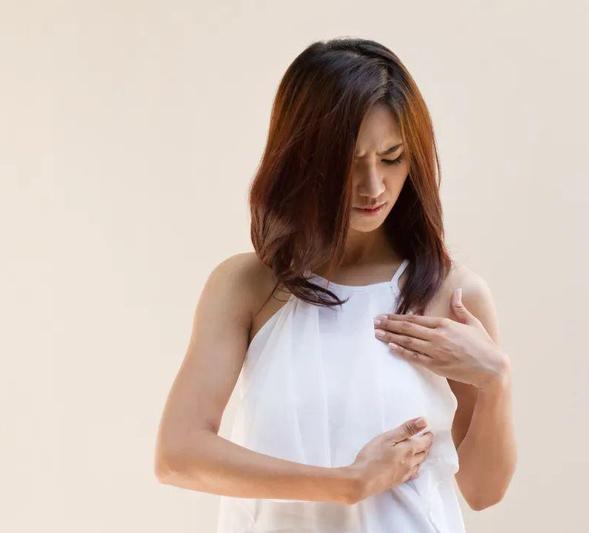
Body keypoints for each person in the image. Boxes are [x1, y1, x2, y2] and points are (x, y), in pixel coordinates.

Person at [154, 37, 517, 532]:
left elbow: (482, 491)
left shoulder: (449, 294)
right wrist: (347, 484)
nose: (374, 186)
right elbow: (178, 454)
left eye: (392, 157)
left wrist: (496, 382)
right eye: (349, 162)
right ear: (303, 157)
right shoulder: (247, 287)